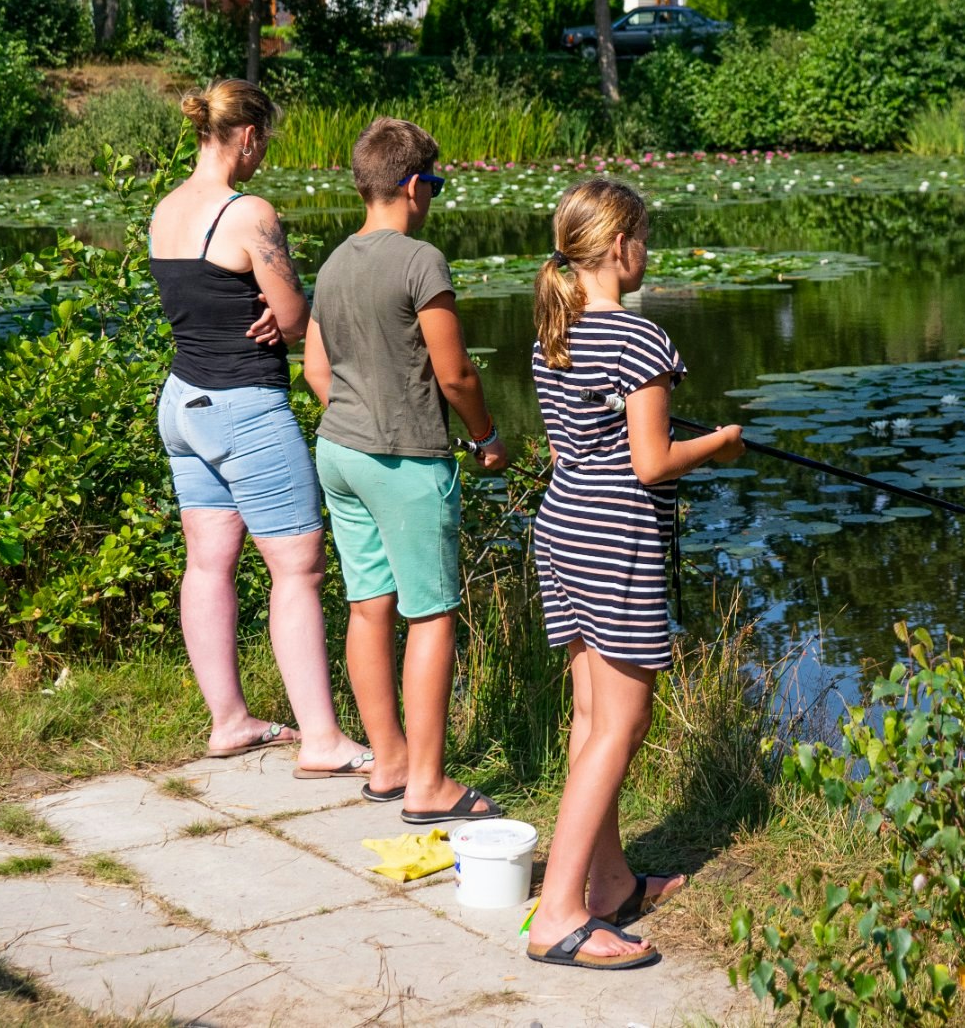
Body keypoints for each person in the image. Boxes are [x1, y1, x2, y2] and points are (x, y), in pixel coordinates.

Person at [524, 178, 744, 971]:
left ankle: (608, 881)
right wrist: (719, 443)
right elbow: (651, 463)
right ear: (621, 246)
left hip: (563, 526)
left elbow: (570, 445)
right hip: (615, 539)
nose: (648, 249)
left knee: (592, 716)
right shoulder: (640, 339)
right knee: (622, 722)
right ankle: (558, 914)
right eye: (644, 235)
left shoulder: (555, 332)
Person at [149, 79, 369, 775]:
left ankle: (230, 721)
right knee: (298, 566)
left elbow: (203, 300)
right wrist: (289, 306)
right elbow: (295, 318)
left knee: (207, 562)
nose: (264, 152)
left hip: (183, 402)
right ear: (247, 136)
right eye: (264, 139)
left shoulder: (167, 208)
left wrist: (272, 304)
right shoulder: (249, 213)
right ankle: (323, 740)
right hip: (242, 406)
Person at [303, 117, 510, 820]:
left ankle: (389, 762)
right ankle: (427, 785)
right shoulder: (421, 261)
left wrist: (360, 414)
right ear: (415, 185)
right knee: (432, 614)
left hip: (339, 452)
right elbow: (455, 375)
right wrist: (486, 435)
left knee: (369, 605)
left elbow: (315, 369)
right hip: (405, 461)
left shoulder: (333, 263)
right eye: (436, 185)